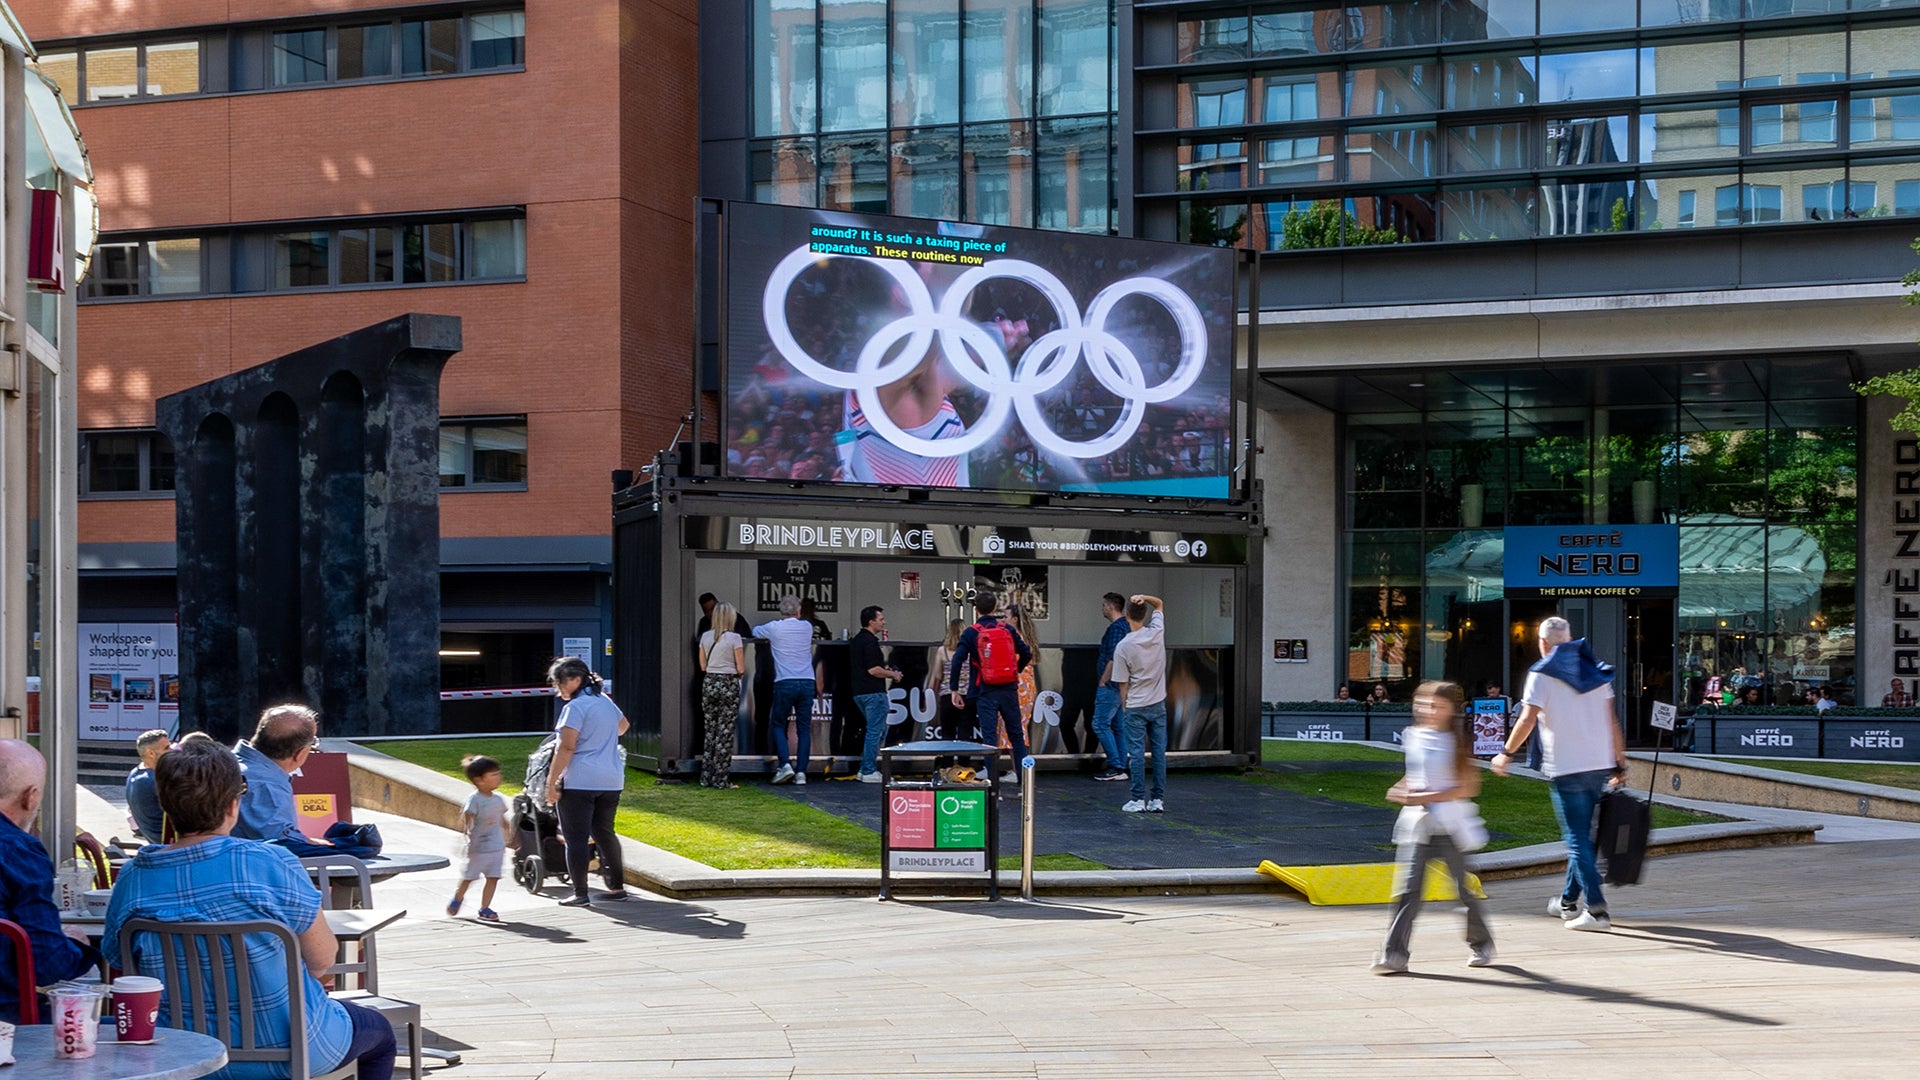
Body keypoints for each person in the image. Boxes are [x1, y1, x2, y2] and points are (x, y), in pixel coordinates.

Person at [104, 741, 395, 1080]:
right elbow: (323, 959)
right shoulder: (271, 862)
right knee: (380, 1034)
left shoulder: (134, 876)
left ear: (166, 806)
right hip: (288, 1047)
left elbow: (120, 962)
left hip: (182, 1053)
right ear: (233, 805)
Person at [1492, 616, 1629, 933]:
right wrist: (1619, 763)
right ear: (1569, 640)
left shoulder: (1541, 674)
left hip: (1567, 767)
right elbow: (1612, 722)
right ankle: (1568, 902)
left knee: (1577, 839)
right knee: (1582, 836)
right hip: (1598, 765)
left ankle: (1597, 911)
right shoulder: (1596, 671)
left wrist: (1506, 753)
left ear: (1542, 643)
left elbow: (1527, 720)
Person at [1372, 680, 1494, 974]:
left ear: (1451, 710)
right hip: (1418, 827)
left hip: (1450, 827)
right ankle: (1394, 954)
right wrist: (1401, 789)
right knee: (1407, 891)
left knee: (1463, 891)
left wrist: (1420, 797)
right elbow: (1415, 774)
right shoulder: (1412, 736)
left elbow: (1466, 787)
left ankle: (1481, 944)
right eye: (1424, 704)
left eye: (1437, 706)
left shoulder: (1457, 743)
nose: (1429, 710)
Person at [0, 739, 101, 1024]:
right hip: (11, 1026)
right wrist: (72, 944)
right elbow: (47, 964)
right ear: (31, 797)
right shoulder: (17, 851)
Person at [542, 656, 631, 907]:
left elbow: (566, 747)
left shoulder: (575, 708)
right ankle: (617, 888)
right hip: (611, 779)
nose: (558, 688)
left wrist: (551, 782)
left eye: (560, 682)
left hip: (580, 779)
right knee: (605, 833)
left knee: (576, 837)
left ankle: (580, 893)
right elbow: (623, 727)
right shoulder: (604, 701)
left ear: (576, 679)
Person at [949, 592, 1035, 783]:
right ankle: (1024, 784)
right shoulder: (1006, 629)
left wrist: (954, 689)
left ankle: (993, 784)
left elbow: (957, 660)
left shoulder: (972, 632)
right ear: (995, 608)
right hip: (1008, 690)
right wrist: (1015, 672)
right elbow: (1026, 653)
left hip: (984, 691)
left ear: (976, 609)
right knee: (1016, 736)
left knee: (989, 738)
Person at [234, 704, 331, 846]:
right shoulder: (267, 786)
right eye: (314, 742)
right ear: (300, 753)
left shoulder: (225, 762)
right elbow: (282, 844)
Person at [754, 594, 821, 785]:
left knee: (777, 724)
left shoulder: (774, 628)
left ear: (781, 611)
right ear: (798, 611)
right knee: (803, 729)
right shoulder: (807, 627)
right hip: (807, 680)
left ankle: (785, 765)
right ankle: (801, 773)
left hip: (785, 681)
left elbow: (755, 631)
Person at [1112, 594, 1168, 813]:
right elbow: (1160, 604)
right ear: (1145, 615)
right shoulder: (1157, 632)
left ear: (1126, 616)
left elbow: (1122, 683)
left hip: (1135, 704)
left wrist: (1125, 705)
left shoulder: (1123, 646)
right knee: (1159, 753)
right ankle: (1157, 799)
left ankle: (1137, 799)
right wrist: (1142, 597)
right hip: (1158, 703)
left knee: (1136, 753)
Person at [448, 755, 514, 923]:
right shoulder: (475, 799)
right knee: (470, 876)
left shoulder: (498, 799)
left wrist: (509, 835)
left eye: (498, 773)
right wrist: (465, 835)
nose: (499, 777)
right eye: (493, 775)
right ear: (479, 780)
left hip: (496, 846)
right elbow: (467, 818)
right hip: (479, 847)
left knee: (493, 877)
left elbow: (502, 819)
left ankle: (485, 908)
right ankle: (458, 897)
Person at [696, 600, 747, 789]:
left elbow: (702, 666)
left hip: (709, 682)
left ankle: (706, 778)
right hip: (728, 682)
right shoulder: (734, 638)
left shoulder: (705, 637)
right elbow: (740, 668)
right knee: (725, 733)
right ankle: (721, 779)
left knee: (710, 731)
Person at [850, 605, 904, 783]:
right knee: (876, 731)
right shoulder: (870, 642)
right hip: (874, 692)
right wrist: (893, 674)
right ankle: (868, 770)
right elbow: (873, 670)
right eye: (881, 619)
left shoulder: (857, 640)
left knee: (877, 731)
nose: (884, 622)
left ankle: (864, 768)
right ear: (871, 622)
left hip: (859, 693)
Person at [1091, 592, 1132, 779]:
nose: (1102, 609)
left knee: (1099, 724)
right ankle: (1121, 766)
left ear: (1110, 606)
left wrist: (1103, 680)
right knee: (1118, 727)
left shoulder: (1116, 629)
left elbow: (1113, 657)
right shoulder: (1127, 626)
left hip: (1111, 684)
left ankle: (1116, 765)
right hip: (1121, 683)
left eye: (1103, 605)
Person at [929, 618, 976, 742]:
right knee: (965, 732)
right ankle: (963, 761)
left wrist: (931, 694)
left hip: (947, 695)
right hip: (968, 694)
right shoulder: (971, 650)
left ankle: (947, 760)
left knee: (947, 732)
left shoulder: (942, 651)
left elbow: (937, 675)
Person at [125, 727, 172, 841]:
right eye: (166, 748)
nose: (171, 751)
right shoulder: (152, 780)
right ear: (150, 753)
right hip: (169, 844)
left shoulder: (135, 773)